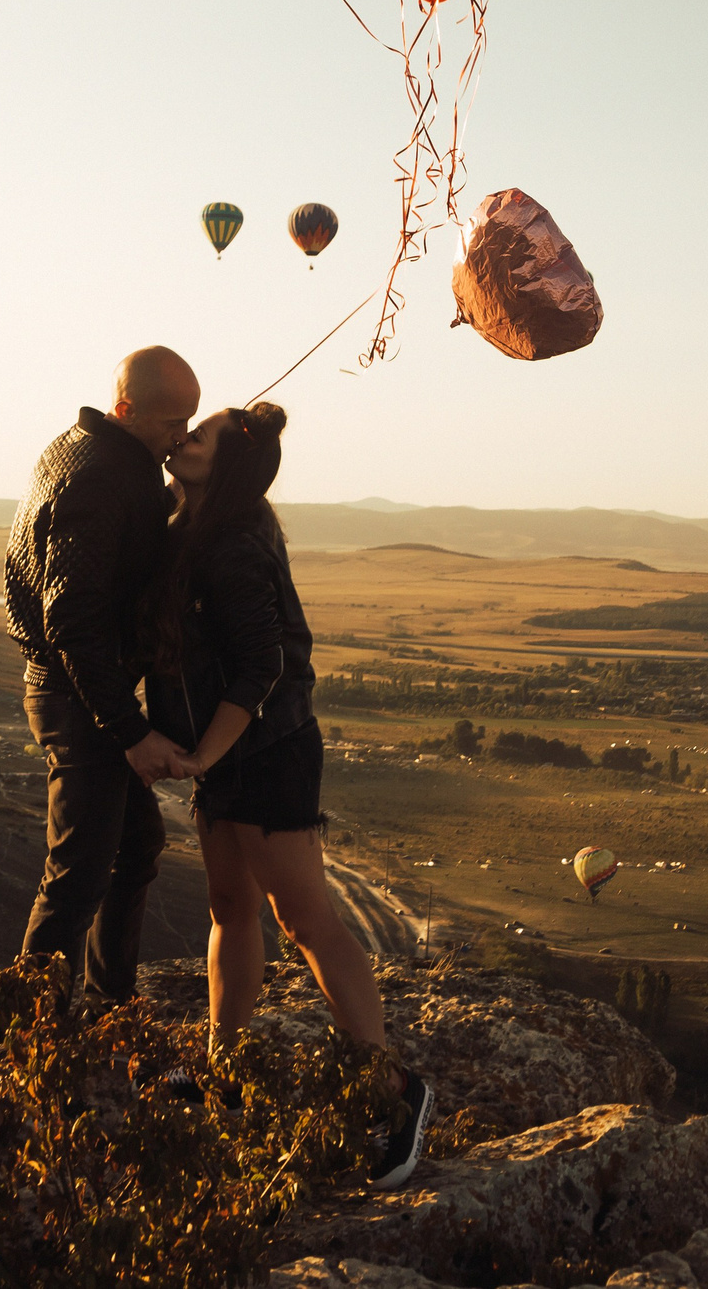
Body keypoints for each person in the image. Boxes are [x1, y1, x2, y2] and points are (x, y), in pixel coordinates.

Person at [147, 400, 434, 1190]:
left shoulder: (233, 545)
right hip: (227, 751)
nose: (183, 436)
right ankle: (223, 1068)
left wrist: (202, 753)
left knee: (305, 920)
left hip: (265, 750)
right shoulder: (192, 530)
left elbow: (263, 665)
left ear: (228, 465)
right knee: (229, 908)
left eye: (198, 434)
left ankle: (395, 1091)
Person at [4, 347, 201, 1000]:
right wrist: (130, 731)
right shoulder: (100, 475)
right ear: (126, 409)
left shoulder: (95, 455)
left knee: (136, 842)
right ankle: (31, 1026)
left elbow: (113, 545)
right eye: (173, 424)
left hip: (77, 689)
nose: (182, 439)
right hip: (77, 694)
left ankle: (108, 1000)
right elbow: (72, 619)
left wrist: (164, 502)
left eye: (190, 424)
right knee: (79, 872)